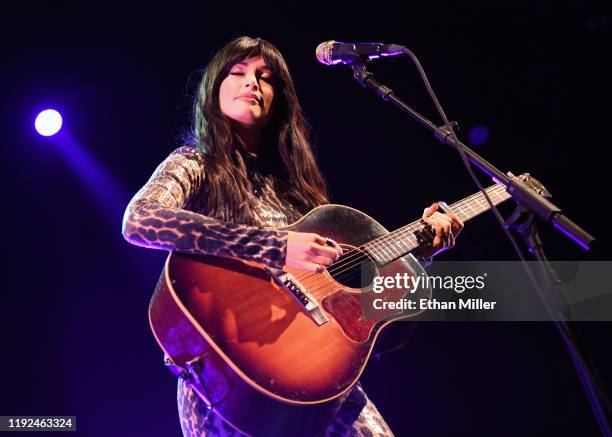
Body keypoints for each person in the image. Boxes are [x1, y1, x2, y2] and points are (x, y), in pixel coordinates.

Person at [122, 36, 463, 437]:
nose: (253, 84)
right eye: (238, 73)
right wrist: (276, 247)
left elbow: (361, 318)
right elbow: (140, 220)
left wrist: (422, 254)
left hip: (318, 378)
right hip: (231, 374)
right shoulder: (195, 163)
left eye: (266, 78)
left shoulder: (302, 193)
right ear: (213, 90)